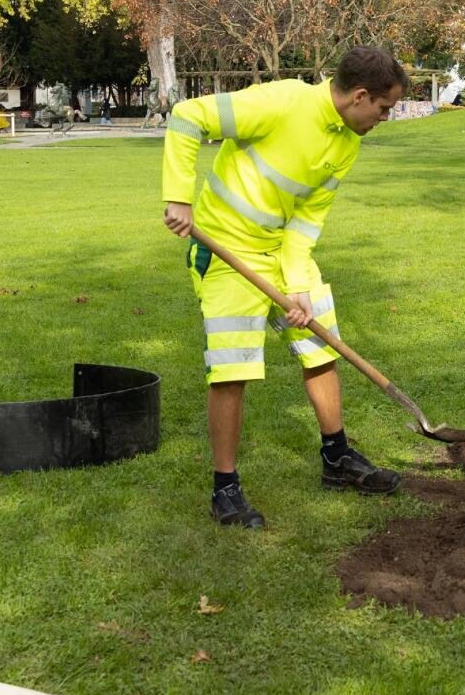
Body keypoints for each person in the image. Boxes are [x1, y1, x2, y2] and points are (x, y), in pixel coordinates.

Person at [161, 47, 408, 529]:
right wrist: (178, 197)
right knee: (232, 369)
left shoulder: (347, 142)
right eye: (383, 108)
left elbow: (307, 220)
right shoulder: (282, 102)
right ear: (360, 96)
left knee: (321, 345)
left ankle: (336, 459)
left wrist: (296, 287)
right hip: (226, 251)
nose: (383, 117)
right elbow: (188, 116)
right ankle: (225, 489)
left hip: (280, 252)